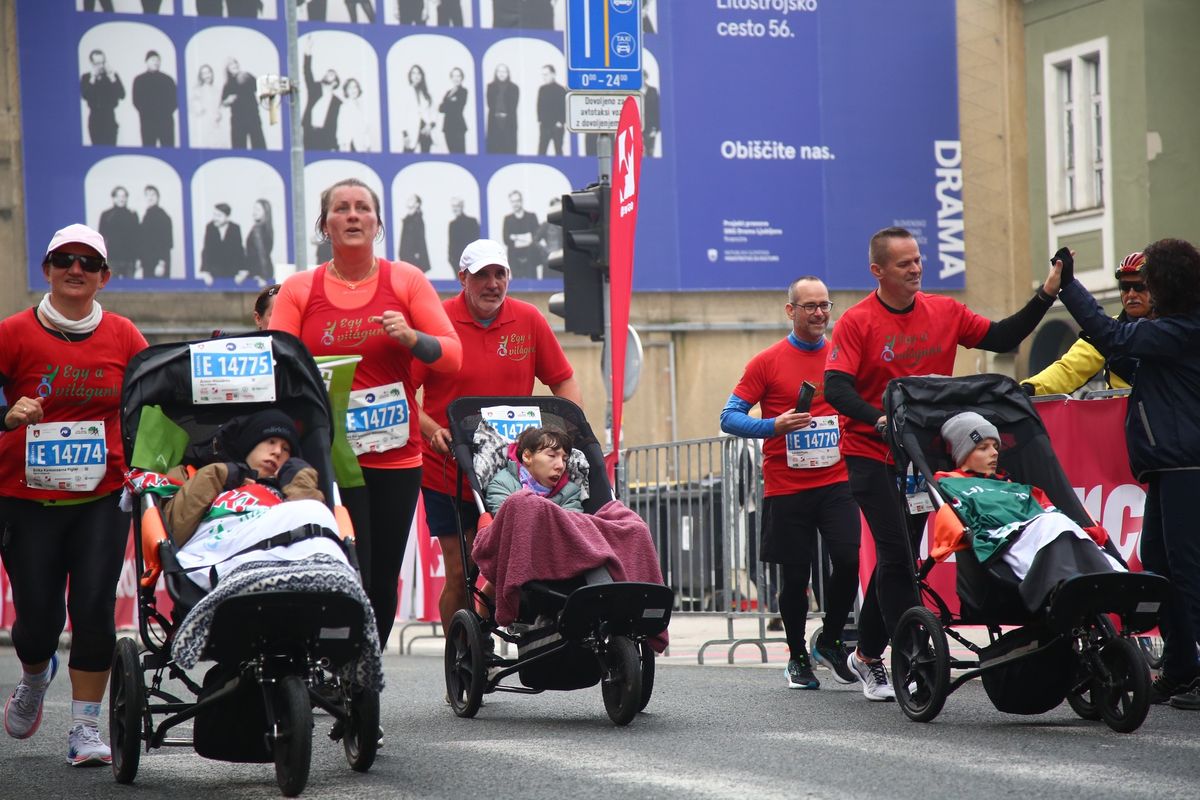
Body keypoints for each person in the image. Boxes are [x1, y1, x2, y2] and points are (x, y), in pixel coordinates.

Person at [824, 225, 1062, 701]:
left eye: (917, 260)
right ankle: (914, 657)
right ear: (878, 271)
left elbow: (1000, 336)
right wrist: (879, 419)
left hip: (920, 459)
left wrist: (1046, 295)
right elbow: (835, 388)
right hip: (871, 454)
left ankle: (866, 656)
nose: (916, 269)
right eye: (904, 263)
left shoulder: (945, 311)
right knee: (894, 556)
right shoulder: (857, 321)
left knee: (904, 563)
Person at [268, 177, 462, 649]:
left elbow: (454, 357)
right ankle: (327, 659)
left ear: (376, 224)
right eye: (341, 208)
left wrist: (413, 338)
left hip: (394, 457)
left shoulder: (405, 281)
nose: (352, 215)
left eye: (362, 208)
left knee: (379, 576)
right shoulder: (299, 289)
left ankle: (361, 673)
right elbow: (272, 367)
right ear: (325, 224)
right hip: (324, 456)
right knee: (336, 566)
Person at [0, 224, 147, 766]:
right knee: (37, 619)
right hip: (24, 497)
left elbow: (149, 404)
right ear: (47, 269)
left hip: (101, 497)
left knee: (92, 610)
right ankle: (36, 674)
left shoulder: (126, 336)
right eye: (65, 260)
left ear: (104, 277)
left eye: (88, 262)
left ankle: (85, 729)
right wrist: (6, 415)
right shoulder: (13, 333)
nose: (76, 269)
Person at [1053, 239, 1200, 711]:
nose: (1140, 292)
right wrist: (1126, 311)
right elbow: (1119, 352)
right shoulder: (1169, 330)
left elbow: (1117, 342)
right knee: (1160, 570)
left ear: (1168, 285)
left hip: (1186, 466)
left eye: (1146, 283)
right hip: (1168, 466)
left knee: (1188, 574)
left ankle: (1191, 669)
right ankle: (1180, 669)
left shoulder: (1183, 329)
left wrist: (1069, 288)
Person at [414, 237, 580, 629]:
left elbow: (565, 381)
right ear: (463, 279)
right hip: (446, 468)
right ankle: (461, 658)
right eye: (482, 275)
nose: (492, 283)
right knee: (460, 569)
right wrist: (434, 430)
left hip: (511, 472)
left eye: (499, 274)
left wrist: (564, 435)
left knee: (499, 561)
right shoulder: (437, 321)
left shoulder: (528, 320)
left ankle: (481, 628)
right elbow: (406, 393)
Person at [720, 277, 861, 691]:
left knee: (849, 560)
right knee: (795, 578)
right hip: (787, 485)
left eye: (825, 305)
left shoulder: (842, 356)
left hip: (837, 480)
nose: (819, 313)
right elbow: (729, 417)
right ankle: (798, 655)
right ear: (791, 311)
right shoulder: (767, 362)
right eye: (810, 306)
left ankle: (832, 641)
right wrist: (773, 425)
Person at [930, 411, 1123, 608]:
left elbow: (1050, 511)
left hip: (1039, 533)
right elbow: (956, 523)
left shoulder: (1018, 488)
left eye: (996, 447)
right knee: (1054, 523)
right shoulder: (949, 483)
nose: (995, 452)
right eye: (983, 448)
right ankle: (1079, 582)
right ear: (962, 453)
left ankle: (1114, 577)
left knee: (1062, 524)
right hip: (1001, 542)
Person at [1022, 252, 1152, 396]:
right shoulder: (1109, 328)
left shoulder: (1172, 327)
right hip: (1125, 417)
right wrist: (1027, 389)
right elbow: (1069, 369)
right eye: (1125, 287)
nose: (1131, 294)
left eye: (1139, 287)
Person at [484, 426, 582, 514]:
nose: (560, 466)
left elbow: (572, 528)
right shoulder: (503, 485)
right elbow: (508, 523)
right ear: (527, 457)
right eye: (552, 456)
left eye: (564, 460)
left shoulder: (570, 493)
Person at [131, 50, 177, 148]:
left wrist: (165, 113)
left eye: (158, 60)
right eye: (153, 59)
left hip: (166, 122)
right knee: (149, 149)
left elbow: (175, 100)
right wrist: (148, 113)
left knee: (168, 149)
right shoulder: (139, 80)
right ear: (146, 61)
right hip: (147, 122)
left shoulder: (168, 79)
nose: (156, 62)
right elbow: (136, 101)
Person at [302, 41, 342, 151]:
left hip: (325, 137)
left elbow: (336, 125)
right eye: (327, 73)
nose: (327, 74)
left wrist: (334, 145)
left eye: (331, 74)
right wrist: (307, 52)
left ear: (335, 83)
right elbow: (307, 72)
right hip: (309, 133)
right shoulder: (314, 89)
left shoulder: (338, 102)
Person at [80, 49, 124, 146]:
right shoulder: (86, 77)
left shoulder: (113, 75)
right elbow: (85, 95)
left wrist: (112, 78)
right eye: (97, 63)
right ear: (92, 63)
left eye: (103, 62)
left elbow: (122, 95)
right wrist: (93, 78)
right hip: (94, 119)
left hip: (110, 118)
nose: (101, 66)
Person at [222, 59, 266, 150]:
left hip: (253, 116)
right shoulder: (227, 84)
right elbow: (223, 102)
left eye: (235, 63)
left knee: (259, 145)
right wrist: (228, 100)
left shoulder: (247, 76)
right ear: (228, 69)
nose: (234, 65)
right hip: (237, 120)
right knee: (238, 147)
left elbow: (261, 88)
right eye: (231, 64)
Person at [97, 186, 139, 279]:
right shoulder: (106, 214)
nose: (122, 199)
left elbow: (137, 238)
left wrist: (137, 259)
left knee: (130, 289)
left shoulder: (133, 214)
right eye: (119, 196)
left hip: (129, 259)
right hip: (112, 259)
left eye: (124, 196)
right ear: (114, 198)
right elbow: (101, 238)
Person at [199, 202, 245, 284]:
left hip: (232, 273)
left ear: (227, 217)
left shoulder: (235, 228)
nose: (215, 218)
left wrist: (242, 271)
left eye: (219, 215)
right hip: (214, 274)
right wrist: (206, 272)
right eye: (214, 215)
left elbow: (239, 250)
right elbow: (206, 250)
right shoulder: (210, 227)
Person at [502, 190, 540, 279]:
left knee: (533, 284)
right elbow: (506, 239)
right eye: (513, 201)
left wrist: (515, 237)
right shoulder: (507, 219)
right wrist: (526, 237)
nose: (515, 204)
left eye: (517, 201)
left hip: (530, 257)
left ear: (521, 201)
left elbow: (535, 237)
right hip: (514, 259)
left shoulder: (531, 217)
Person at [189, 63, 229, 149]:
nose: (207, 75)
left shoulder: (217, 90)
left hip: (217, 124)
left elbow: (220, 107)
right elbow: (195, 108)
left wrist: (219, 114)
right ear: (201, 76)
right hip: (204, 124)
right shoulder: (198, 90)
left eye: (208, 72)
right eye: (204, 73)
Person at [138, 185, 172, 279]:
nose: (150, 197)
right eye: (147, 195)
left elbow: (167, 242)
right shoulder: (146, 215)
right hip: (147, 262)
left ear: (158, 197)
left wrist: (161, 264)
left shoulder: (163, 216)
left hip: (158, 264)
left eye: (153, 195)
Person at [485, 64, 518, 154]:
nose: (501, 74)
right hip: (494, 121)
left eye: (504, 71)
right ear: (496, 73)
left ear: (508, 73)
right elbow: (490, 104)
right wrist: (498, 113)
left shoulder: (514, 88)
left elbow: (513, 106)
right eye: (499, 71)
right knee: (493, 149)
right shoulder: (490, 86)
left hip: (509, 122)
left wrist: (504, 114)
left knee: (508, 149)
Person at [336, 78, 375, 153]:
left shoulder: (363, 106)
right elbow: (341, 129)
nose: (353, 90)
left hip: (362, 145)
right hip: (350, 145)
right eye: (350, 88)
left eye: (355, 87)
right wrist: (343, 146)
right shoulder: (344, 107)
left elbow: (366, 128)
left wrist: (368, 144)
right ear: (346, 91)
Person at [536, 64, 566, 156]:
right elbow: (539, 106)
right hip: (545, 126)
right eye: (543, 75)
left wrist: (561, 122)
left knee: (558, 151)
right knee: (541, 151)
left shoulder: (561, 90)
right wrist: (540, 120)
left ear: (553, 74)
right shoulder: (542, 89)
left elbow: (564, 107)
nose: (544, 77)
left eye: (546, 74)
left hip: (557, 126)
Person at [242, 198, 274, 286]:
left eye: (258, 209)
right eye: (254, 209)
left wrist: (262, 275)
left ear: (265, 212)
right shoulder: (267, 228)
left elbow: (261, 254)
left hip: (260, 274)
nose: (254, 212)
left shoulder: (258, 229)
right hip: (262, 272)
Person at [439, 67, 469, 154]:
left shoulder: (464, 91)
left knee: (460, 154)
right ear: (451, 78)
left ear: (462, 78)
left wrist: (447, 104)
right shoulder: (448, 92)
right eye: (454, 76)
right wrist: (451, 101)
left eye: (458, 76)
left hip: (458, 127)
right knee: (451, 153)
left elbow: (458, 108)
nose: (456, 78)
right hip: (447, 127)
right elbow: (440, 109)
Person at [398, 195, 431, 273]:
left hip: (414, 258)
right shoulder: (407, 219)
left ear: (417, 204)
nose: (409, 201)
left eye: (412, 200)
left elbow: (419, 239)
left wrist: (416, 254)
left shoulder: (417, 220)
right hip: (406, 256)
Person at [407, 65, 435, 154]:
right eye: (413, 73)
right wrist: (405, 135)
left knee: (425, 156)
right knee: (407, 155)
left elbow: (434, 113)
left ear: (422, 76)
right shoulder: (405, 92)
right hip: (411, 129)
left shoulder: (426, 94)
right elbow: (402, 115)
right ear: (410, 76)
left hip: (425, 129)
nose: (416, 75)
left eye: (419, 73)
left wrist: (430, 126)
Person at [447, 197, 480, 270]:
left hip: (471, 261)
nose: (455, 209)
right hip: (456, 262)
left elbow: (477, 241)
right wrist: (451, 259)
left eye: (457, 206)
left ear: (462, 206)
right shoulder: (452, 224)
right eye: (453, 206)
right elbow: (451, 244)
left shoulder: (472, 222)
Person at [643, 70, 660, 157]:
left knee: (650, 153)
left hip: (650, 129)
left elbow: (657, 110)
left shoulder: (653, 91)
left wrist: (656, 128)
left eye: (642, 76)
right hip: (636, 129)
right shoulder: (632, 91)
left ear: (646, 77)